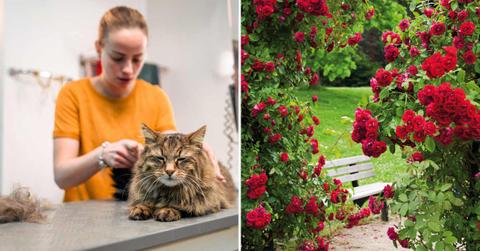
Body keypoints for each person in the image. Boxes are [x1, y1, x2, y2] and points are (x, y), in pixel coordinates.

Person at [53, 6, 224, 202]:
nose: (128, 69)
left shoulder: (156, 96)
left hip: (138, 213)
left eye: (137, 59)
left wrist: (193, 149)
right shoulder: (73, 94)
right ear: (99, 47)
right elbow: (61, 176)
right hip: (82, 217)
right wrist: (102, 156)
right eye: (118, 58)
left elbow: (169, 141)